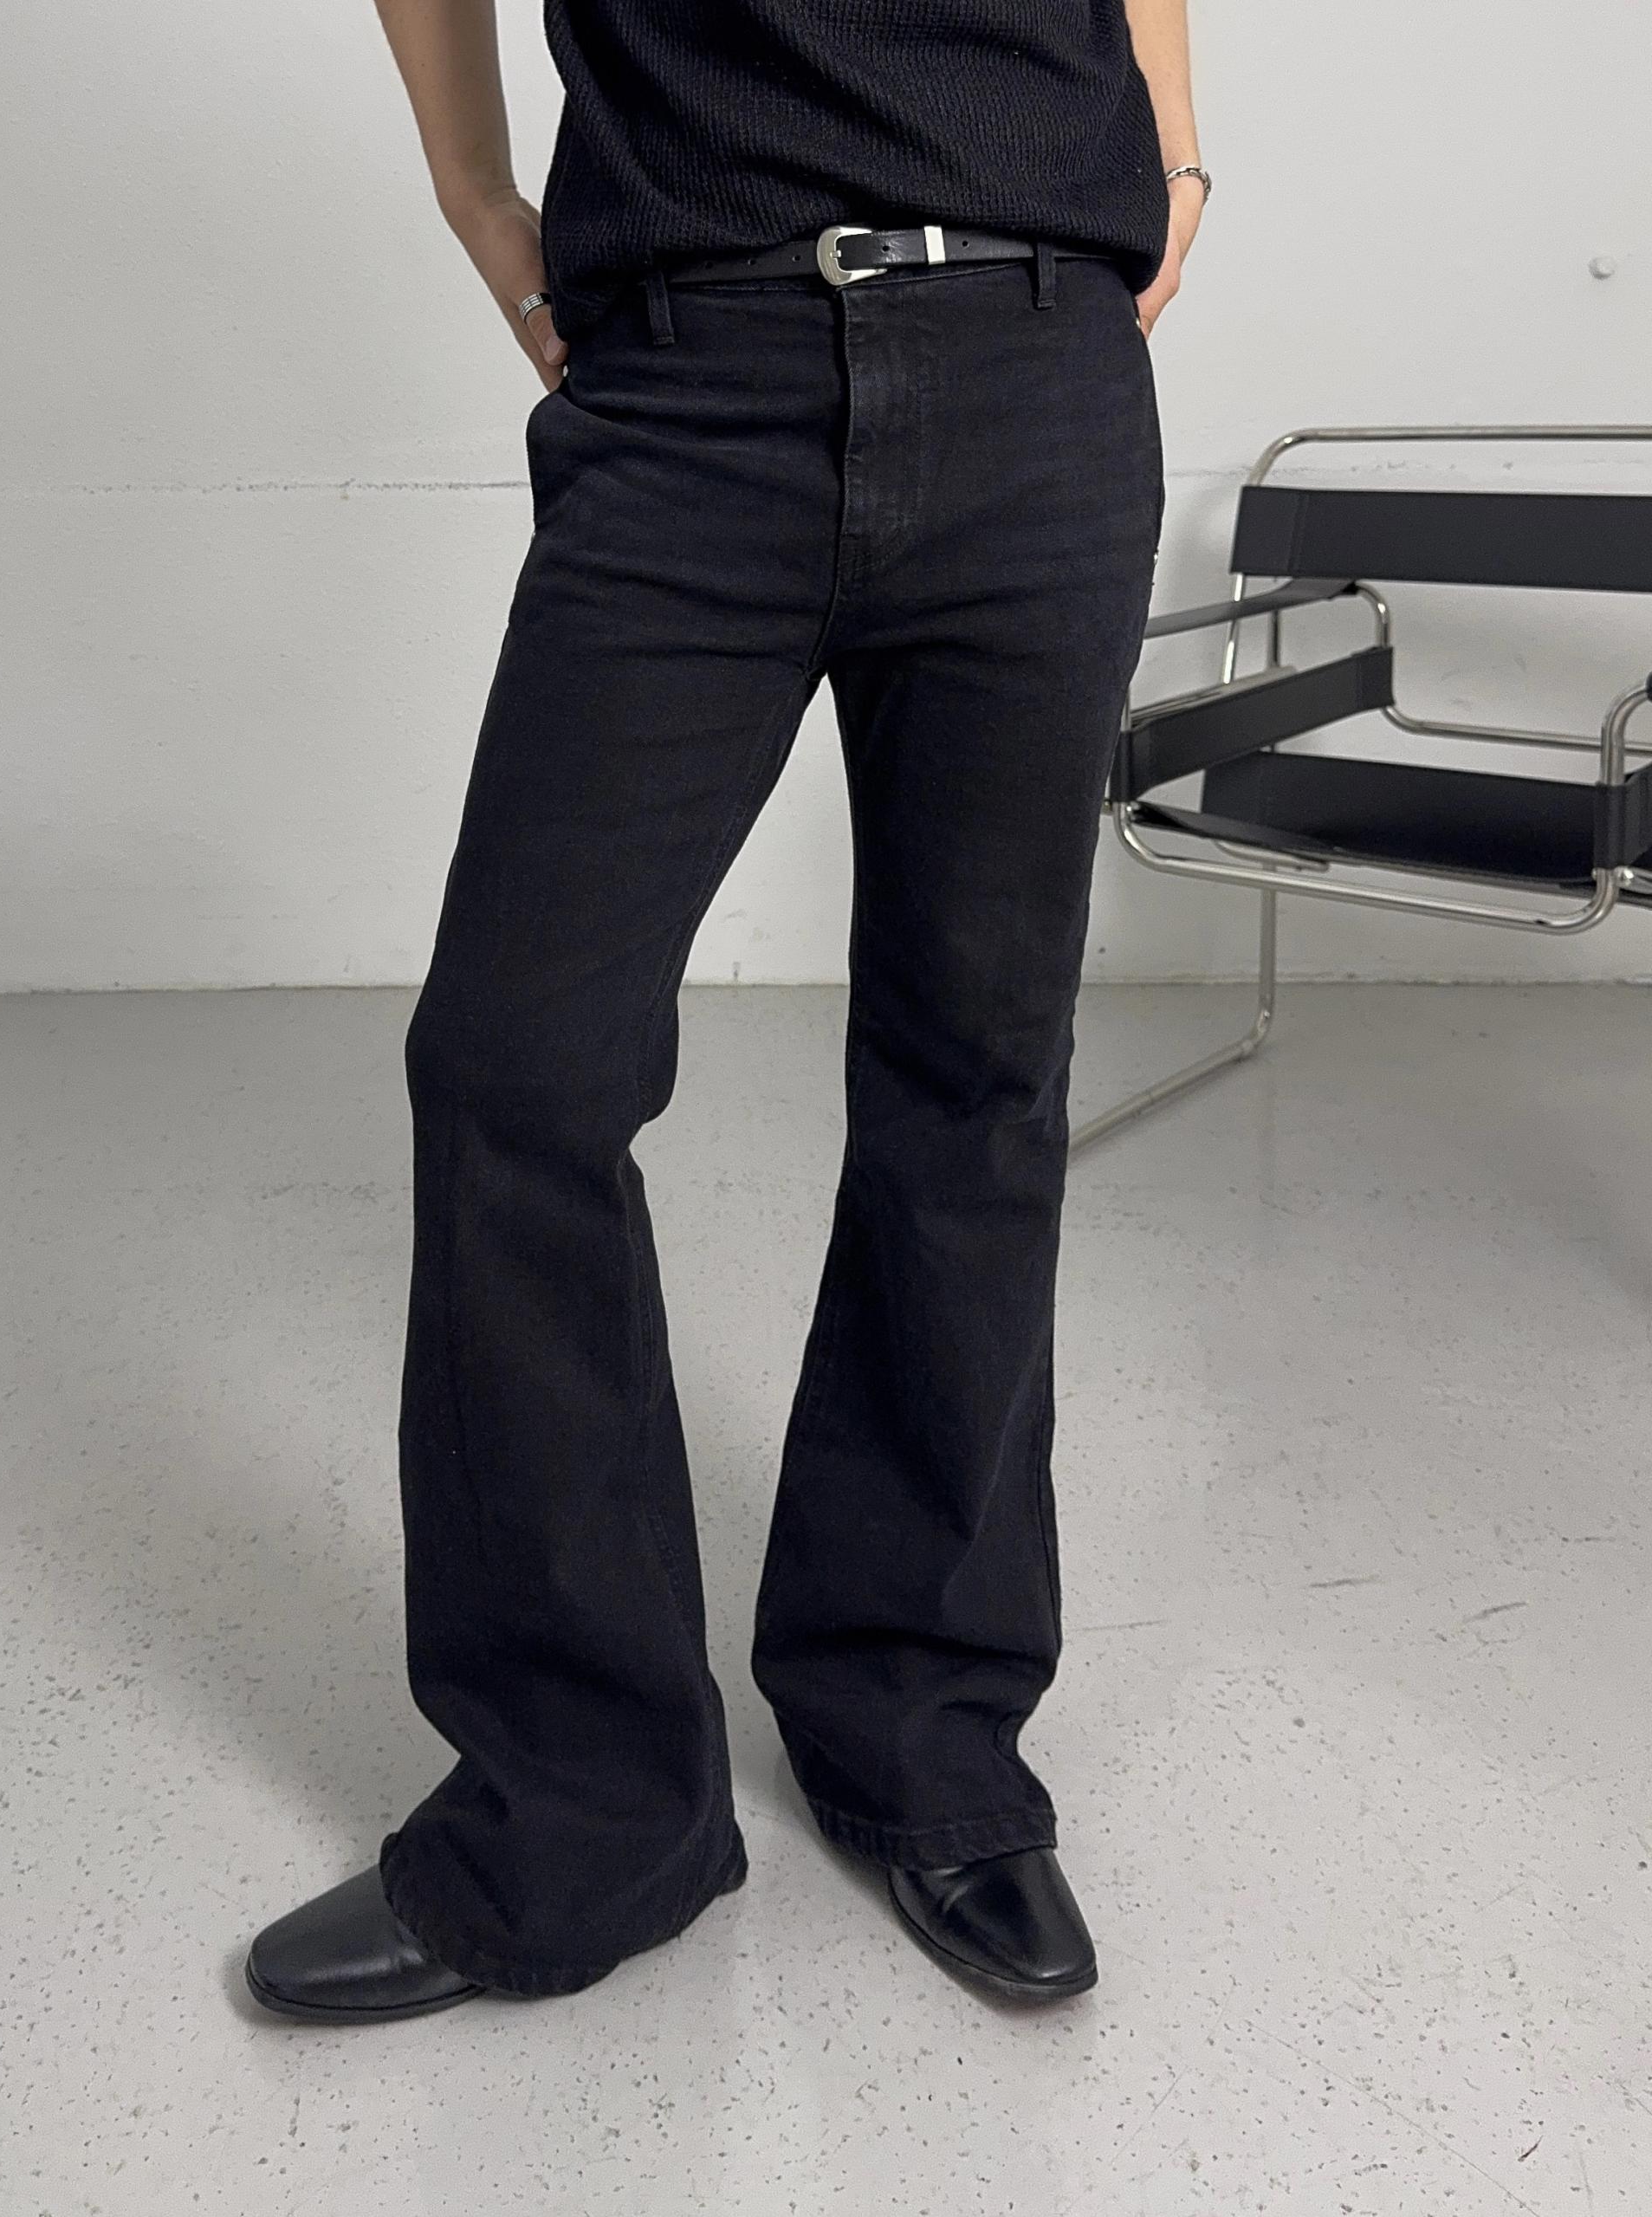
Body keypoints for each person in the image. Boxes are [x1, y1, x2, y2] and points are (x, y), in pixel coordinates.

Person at [244, 0, 1207, 2024]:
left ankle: (920, 1728)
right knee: (516, 1064)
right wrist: (474, 191)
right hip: (692, 381)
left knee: (975, 1071)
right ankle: (585, 1809)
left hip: (1035, 346)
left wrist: (1172, 143)